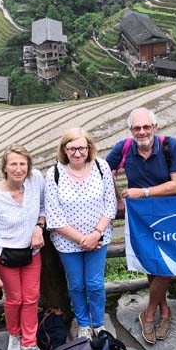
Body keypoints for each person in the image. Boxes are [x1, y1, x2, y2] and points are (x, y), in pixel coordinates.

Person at [105, 107, 176, 345]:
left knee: (167, 266)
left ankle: (149, 313)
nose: (142, 132)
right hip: (140, 217)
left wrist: (144, 192)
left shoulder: (171, 146)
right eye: (136, 128)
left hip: (169, 215)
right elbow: (102, 170)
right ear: (131, 131)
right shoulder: (124, 147)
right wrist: (118, 198)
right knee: (151, 264)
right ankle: (165, 310)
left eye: (146, 127)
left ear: (155, 127)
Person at [45, 128, 117, 339]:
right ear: (64, 150)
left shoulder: (101, 166)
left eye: (81, 148)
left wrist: (96, 234)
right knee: (76, 284)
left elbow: (110, 205)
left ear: (89, 148)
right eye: (72, 148)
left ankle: (99, 322)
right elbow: (54, 216)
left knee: (95, 283)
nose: (77, 153)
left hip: (98, 238)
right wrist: (81, 239)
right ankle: (83, 323)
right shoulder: (54, 173)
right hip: (68, 242)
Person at [0, 145, 47, 350]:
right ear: (5, 167)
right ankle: (14, 335)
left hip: (32, 253)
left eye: (23, 164)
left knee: (31, 298)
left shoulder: (36, 179)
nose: (19, 169)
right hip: (6, 256)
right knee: (14, 299)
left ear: (28, 166)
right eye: (13, 164)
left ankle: (29, 342)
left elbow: (43, 207)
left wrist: (39, 226)